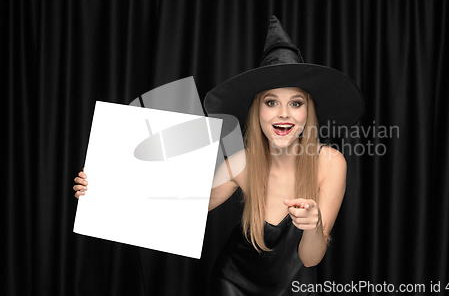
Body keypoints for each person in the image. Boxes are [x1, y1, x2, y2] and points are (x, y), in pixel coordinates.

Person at [73, 16, 364, 295]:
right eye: (271, 102)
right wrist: (101, 189)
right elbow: (178, 206)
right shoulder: (242, 162)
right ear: (257, 111)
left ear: (307, 111)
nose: (284, 113)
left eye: (296, 103)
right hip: (232, 282)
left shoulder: (330, 163)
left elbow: (311, 259)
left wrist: (313, 226)